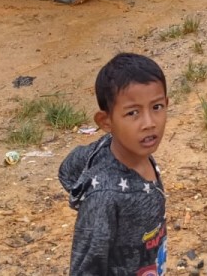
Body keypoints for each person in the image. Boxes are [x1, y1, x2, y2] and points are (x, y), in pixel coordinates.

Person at [59, 53, 169, 276]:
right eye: (132, 113)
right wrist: (89, 192)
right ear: (106, 121)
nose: (149, 123)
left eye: (156, 107)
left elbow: (70, 165)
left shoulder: (129, 147)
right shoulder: (104, 197)